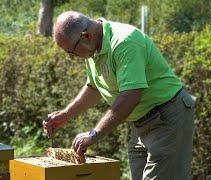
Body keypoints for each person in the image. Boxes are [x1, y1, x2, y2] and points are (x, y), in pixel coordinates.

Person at [43, 11, 196, 180]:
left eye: (71, 51)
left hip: (168, 118)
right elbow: (94, 88)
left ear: (86, 36)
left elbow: (130, 96)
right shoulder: (92, 48)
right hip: (139, 125)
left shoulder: (125, 42)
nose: (72, 57)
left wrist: (95, 134)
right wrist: (66, 114)